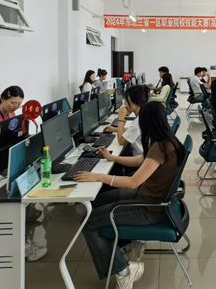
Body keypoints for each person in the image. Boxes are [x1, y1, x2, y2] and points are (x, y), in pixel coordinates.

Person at [74, 101, 186, 288]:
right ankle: (127, 245)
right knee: (96, 203)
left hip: (150, 209)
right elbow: (141, 161)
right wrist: (112, 158)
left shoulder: (160, 146)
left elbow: (133, 182)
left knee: (89, 222)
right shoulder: (168, 140)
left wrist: (100, 177)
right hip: (148, 198)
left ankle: (124, 270)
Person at [0, 86, 46, 260]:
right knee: (20, 179)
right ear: (3, 99)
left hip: (8, 156)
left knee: (33, 169)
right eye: (13, 103)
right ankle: (18, 234)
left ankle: (26, 213)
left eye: (19, 104)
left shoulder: (12, 115)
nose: (15, 106)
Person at [104, 85, 149, 157]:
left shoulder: (138, 122)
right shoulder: (145, 114)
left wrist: (121, 118)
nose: (125, 103)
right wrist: (115, 129)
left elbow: (121, 141)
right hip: (145, 155)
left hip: (139, 158)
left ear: (134, 102)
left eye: (126, 101)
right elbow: (136, 131)